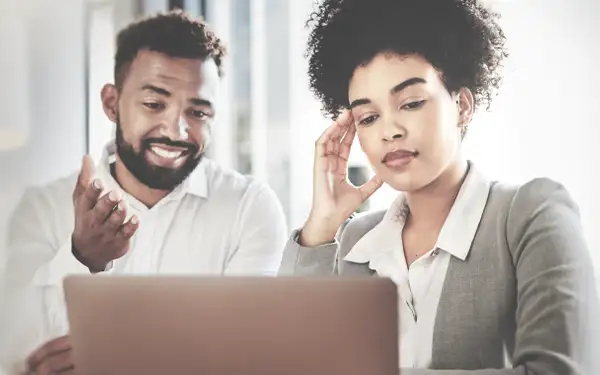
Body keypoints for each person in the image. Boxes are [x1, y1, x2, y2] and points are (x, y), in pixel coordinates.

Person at [279, 0, 599, 373]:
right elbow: (292, 357)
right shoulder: (355, 241)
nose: (390, 130)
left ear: (462, 105)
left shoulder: (531, 214)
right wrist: (323, 223)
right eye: (368, 117)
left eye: (411, 103)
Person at [1, 10, 287, 375]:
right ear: (111, 103)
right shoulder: (40, 209)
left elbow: (247, 356)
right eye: (154, 104)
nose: (177, 130)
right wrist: (82, 258)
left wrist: (115, 355)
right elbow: (16, 357)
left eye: (198, 112)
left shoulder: (250, 208)